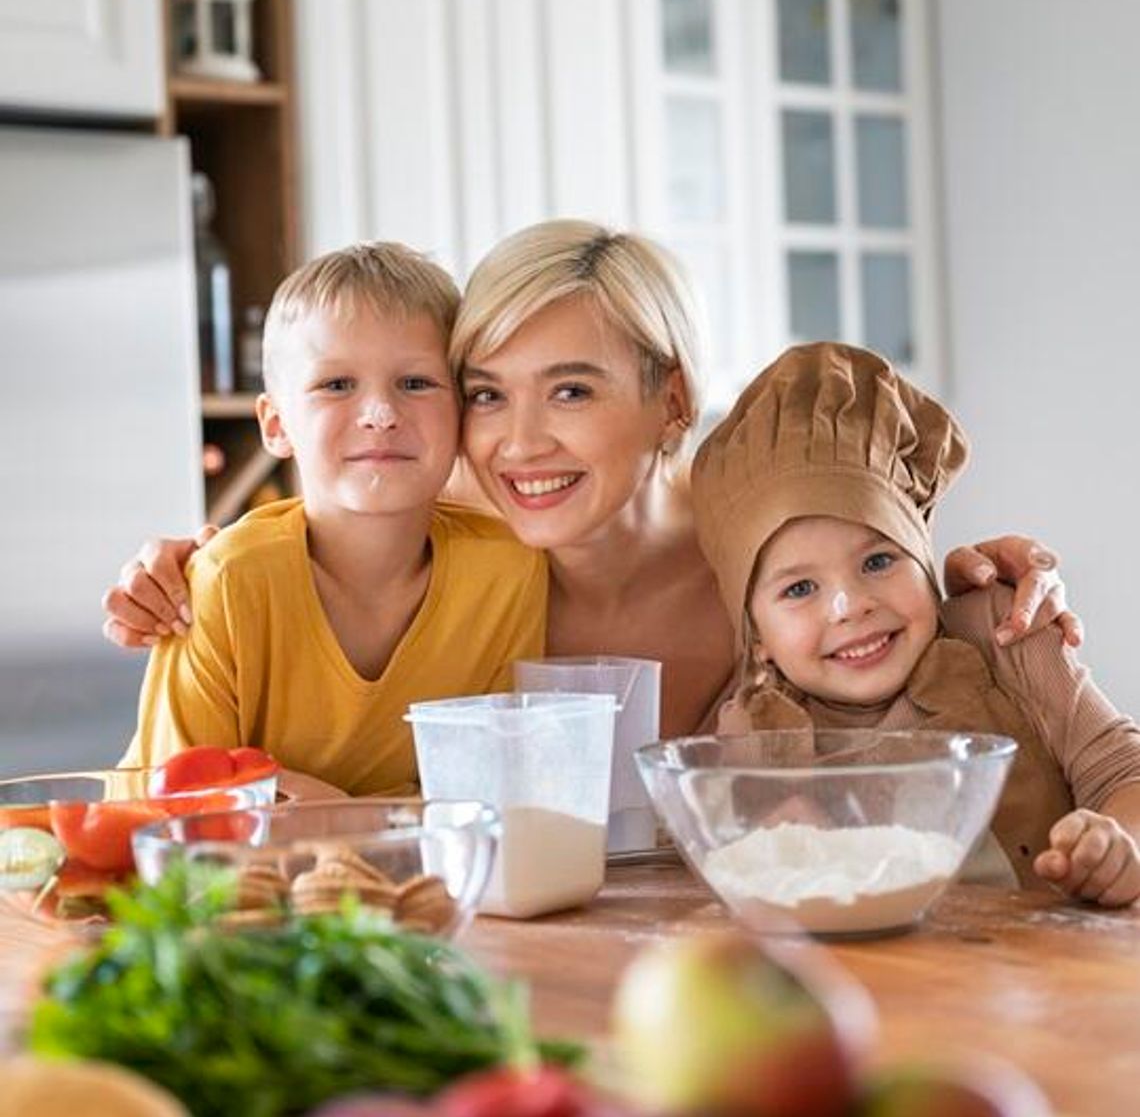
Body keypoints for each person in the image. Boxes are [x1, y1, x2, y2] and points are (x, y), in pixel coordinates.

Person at [104, 222, 1079, 742]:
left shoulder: (759, 536)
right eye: (485, 394)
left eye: (571, 389)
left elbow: (877, 581)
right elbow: (311, 525)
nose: (520, 444)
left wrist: (979, 579)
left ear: (670, 398)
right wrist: (185, 556)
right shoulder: (455, 524)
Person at [689, 341, 1140, 907]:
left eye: (879, 561)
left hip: (1050, 975)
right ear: (757, 641)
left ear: (925, 561)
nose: (850, 606)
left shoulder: (1004, 638)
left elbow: (1123, 768)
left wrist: (1119, 847)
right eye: (801, 589)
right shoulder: (751, 732)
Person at [120, 242, 545, 795]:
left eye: (416, 383)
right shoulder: (228, 583)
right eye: (336, 385)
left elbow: (496, 795)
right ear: (275, 425)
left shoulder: (506, 573)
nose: (381, 415)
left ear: (463, 409)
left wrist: (337, 812)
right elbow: (175, 815)